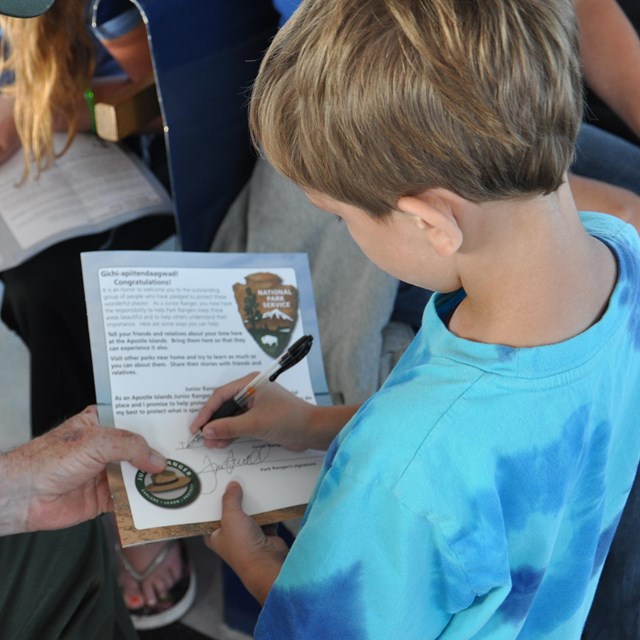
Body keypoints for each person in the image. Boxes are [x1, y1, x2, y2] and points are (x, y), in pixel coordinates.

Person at [192, 0, 640, 637]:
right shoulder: (621, 257)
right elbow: (486, 450)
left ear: (432, 222)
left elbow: (327, 627)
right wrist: (312, 424)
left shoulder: (397, 469)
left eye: (343, 217)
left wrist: (259, 560)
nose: (347, 234)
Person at [0, 0, 192, 629]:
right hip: (21, 189)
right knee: (40, 292)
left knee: (131, 272)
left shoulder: (102, 7)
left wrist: (64, 108)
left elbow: (154, 82)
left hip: (103, 167)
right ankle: (112, 503)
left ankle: (153, 488)